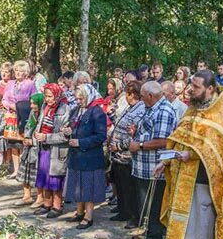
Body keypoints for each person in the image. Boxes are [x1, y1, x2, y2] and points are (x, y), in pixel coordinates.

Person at [158, 70, 223, 239]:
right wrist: (168, 159)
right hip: (182, 175)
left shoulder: (219, 116)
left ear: (210, 89)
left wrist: (190, 154)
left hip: (203, 181)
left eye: (197, 87)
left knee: (196, 227)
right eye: (191, 85)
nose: (191, 89)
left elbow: (217, 153)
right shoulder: (192, 109)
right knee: (180, 220)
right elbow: (180, 136)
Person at [129, 81, 178, 239]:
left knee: (154, 203)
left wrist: (140, 145)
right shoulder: (151, 107)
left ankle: (154, 237)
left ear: (150, 96)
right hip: (143, 166)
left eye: (142, 97)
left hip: (154, 166)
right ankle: (147, 230)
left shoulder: (164, 110)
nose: (141, 100)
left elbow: (164, 140)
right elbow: (148, 131)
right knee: (145, 202)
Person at [63, 84, 107, 230]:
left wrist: (81, 142)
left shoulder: (97, 112)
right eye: (77, 98)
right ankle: (79, 211)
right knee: (77, 184)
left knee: (88, 185)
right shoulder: (76, 110)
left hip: (90, 156)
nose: (79, 101)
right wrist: (67, 131)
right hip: (76, 155)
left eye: (81, 98)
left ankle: (89, 216)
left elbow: (101, 136)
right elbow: (71, 126)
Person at [108, 81, 146, 228]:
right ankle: (122, 210)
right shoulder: (130, 108)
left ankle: (133, 216)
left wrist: (119, 145)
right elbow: (119, 124)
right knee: (120, 185)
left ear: (133, 95)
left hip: (127, 155)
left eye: (128, 94)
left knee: (129, 187)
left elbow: (134, 134)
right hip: (118, 156)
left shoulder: (140, 110)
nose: (126, 97)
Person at [33, 83, 70, 218]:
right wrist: (36, 134)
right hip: (44, 146)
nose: (47, 99)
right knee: (44, 175)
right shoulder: (45, 106)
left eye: (50, 96)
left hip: (57, 149)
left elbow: (65, 135)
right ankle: (46, 203)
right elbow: (40, 123)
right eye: (46, 96)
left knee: (55, 177)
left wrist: (46, 137)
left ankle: (57, 205)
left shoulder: (64, 109)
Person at [2, 60, 37, 178]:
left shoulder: (30, 84)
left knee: (22, 143)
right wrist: (11, 106)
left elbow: (34, 100)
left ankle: (23, 170)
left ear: (26, 73)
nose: (17, 73)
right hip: (11, 116)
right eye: (16, 70)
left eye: (20, 71)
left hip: (24, 117)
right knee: (13, 145)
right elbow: (4, 99)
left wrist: (20, 107)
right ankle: (16, 170)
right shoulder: (10, 83)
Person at [16, 93, 44, 207]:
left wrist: (33, 141)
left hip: (37, 147)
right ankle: (26, 196)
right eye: (31, 103)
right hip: (29, 146)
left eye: (34, 103)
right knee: (25, 169)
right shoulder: (33, 113)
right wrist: (26, 138)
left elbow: (43, 131)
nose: (32, 106)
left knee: (36, 173)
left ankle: (40, 197)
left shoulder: (43, 115)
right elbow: (28, 126)